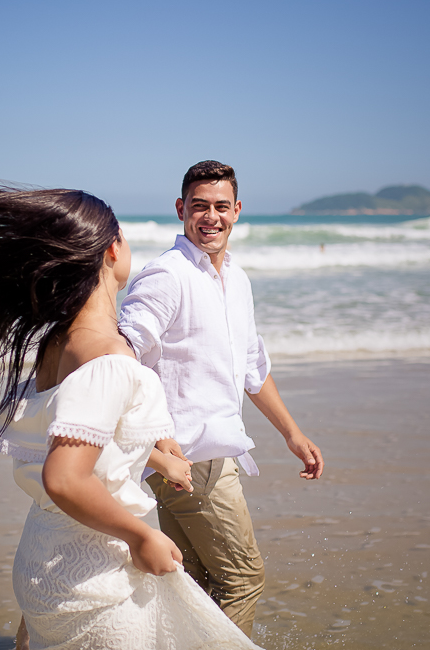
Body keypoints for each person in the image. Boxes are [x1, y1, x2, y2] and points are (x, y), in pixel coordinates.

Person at [0, 184, 262, 650]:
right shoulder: (108, 357)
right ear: (112, 251)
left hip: (45, 556)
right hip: (91, 575)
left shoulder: (56, 343)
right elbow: (66, 478)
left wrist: (155, 450)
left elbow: (80, 436)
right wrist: (138, 537)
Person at [119, 160, 324, 637]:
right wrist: (156, 438)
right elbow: (119, 354)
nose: (210, 217)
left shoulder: (236, 278)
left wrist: (292, 434)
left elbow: (253, 367)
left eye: (220, 207)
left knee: (192, 582)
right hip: (192, 457)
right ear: (180, 209)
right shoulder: (167, 276)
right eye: (199, 206)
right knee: (242, 578)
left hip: (190, 460)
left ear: (237, 211)